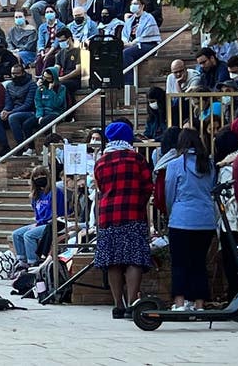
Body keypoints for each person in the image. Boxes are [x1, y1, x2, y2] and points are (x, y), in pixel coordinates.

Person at [93, 121, 154, 319]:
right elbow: (147, 187)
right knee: (134, 259)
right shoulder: (137, 159)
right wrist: (139, 202)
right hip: (133, 213)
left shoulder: (101, 162)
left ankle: (118, 304)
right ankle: (133, 303)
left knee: (113, 261)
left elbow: (100, 188)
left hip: (108, 215)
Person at [164, 126, 218, 311]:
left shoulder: (175, 164)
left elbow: (169, 193)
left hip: (181, 219)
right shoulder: (209, 164)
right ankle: (199, 303)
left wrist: (173, 212)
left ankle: (179, 302)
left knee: (179, 262)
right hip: (205, 219)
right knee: (199, 262)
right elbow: (211, 188)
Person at [11, 166, 66, 268]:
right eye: (36, 177)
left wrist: (42, 223)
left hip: (53, 223)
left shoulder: (55, 191)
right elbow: (36, 213)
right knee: (16, 234)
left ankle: (33, 262)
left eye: (42, 175)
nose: (39, 178)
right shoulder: (35, 195)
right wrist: (37, 223)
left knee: (29, 235)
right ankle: (22, 262)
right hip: (40, 223)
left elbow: (61, 212)